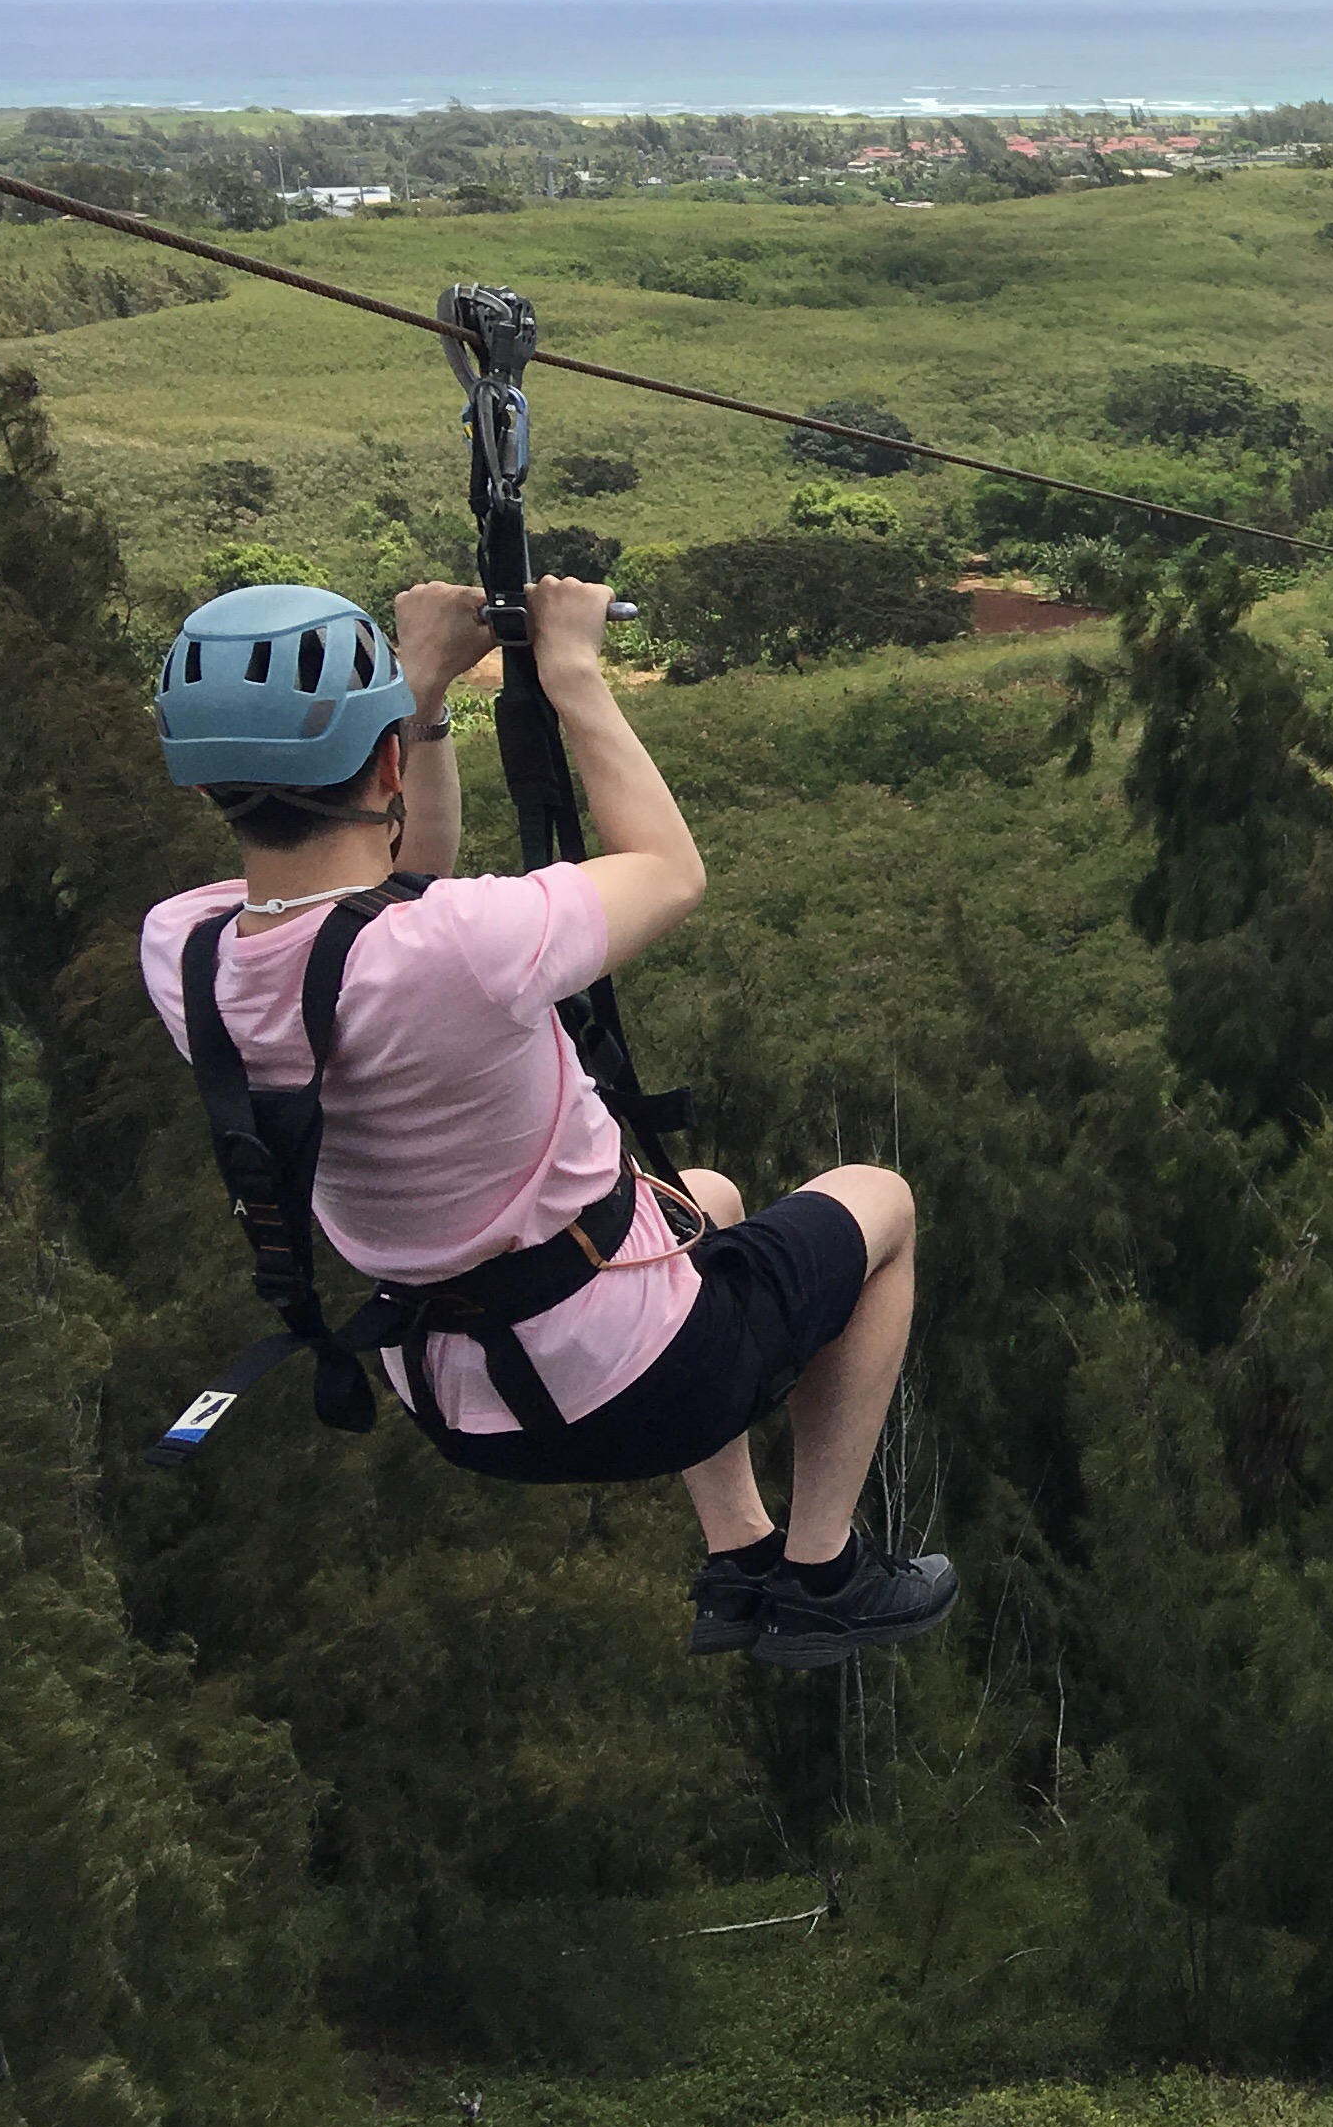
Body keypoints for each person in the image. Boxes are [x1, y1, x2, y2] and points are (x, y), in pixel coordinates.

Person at [140, 575, 955, 1668]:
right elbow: (667, 872)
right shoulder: (465, 946)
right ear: (386, 767)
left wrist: (418, 693)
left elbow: (390, 891)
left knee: (703, 1198)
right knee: (880, 1204)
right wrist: (572, 672)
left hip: (460, 1403)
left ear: (205, 785)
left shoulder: (184, 951)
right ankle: (824, 1574)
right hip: (635, 1384)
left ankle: (739, 1554)